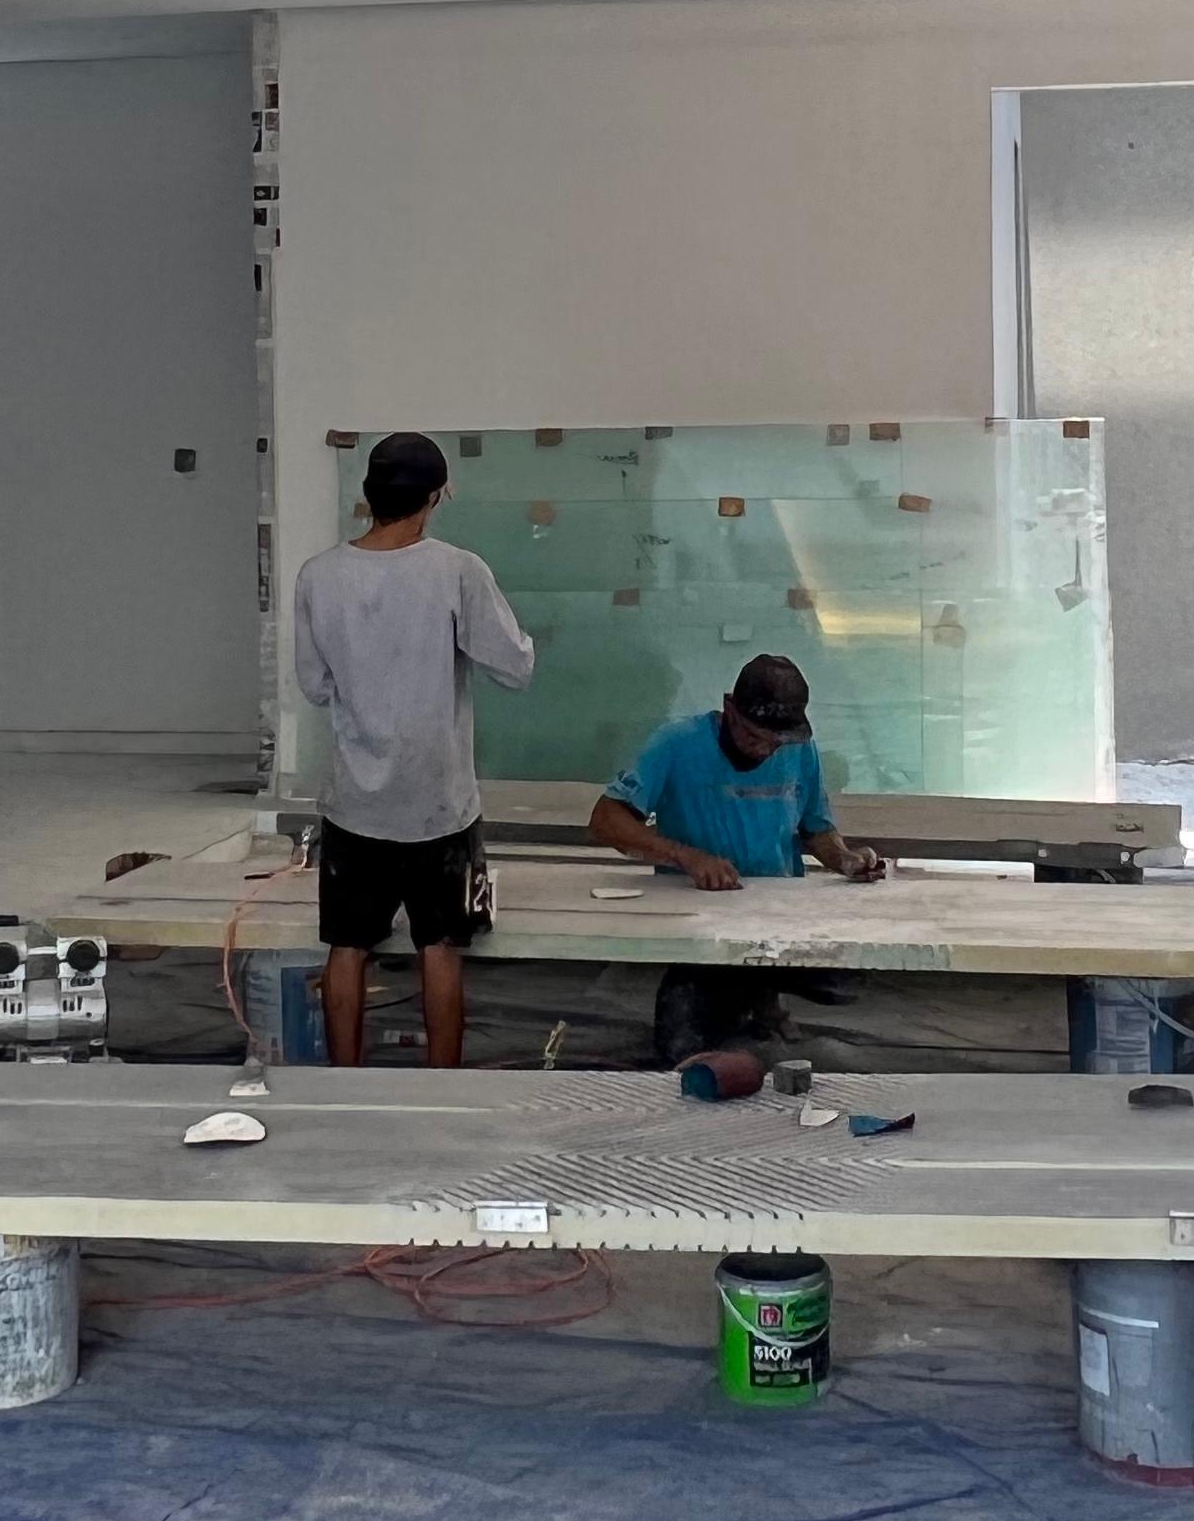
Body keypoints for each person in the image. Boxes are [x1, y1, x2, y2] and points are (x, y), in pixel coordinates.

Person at [288, 431, 535, 1067]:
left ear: (369, 495)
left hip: (354, 805)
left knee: (347, 947)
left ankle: (344, 1084)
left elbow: (314, 687)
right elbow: (516, 667)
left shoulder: (318, 575)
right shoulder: (458, 570)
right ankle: (438, 1092)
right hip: (440, 807)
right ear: (435, 496)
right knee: (441, 948)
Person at [589, 653, 884, 1059]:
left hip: (779, 920)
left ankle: (766, 1006)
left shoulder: (799, 751)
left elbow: (815, 829)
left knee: (850, 989)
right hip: (697, 922)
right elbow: (607, 819)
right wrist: (686, 857)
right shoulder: (677, 744)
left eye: (776, 741)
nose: (764, 749)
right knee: (681, 1046)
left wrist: (845, 859)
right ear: (729, 707)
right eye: (753, 735)